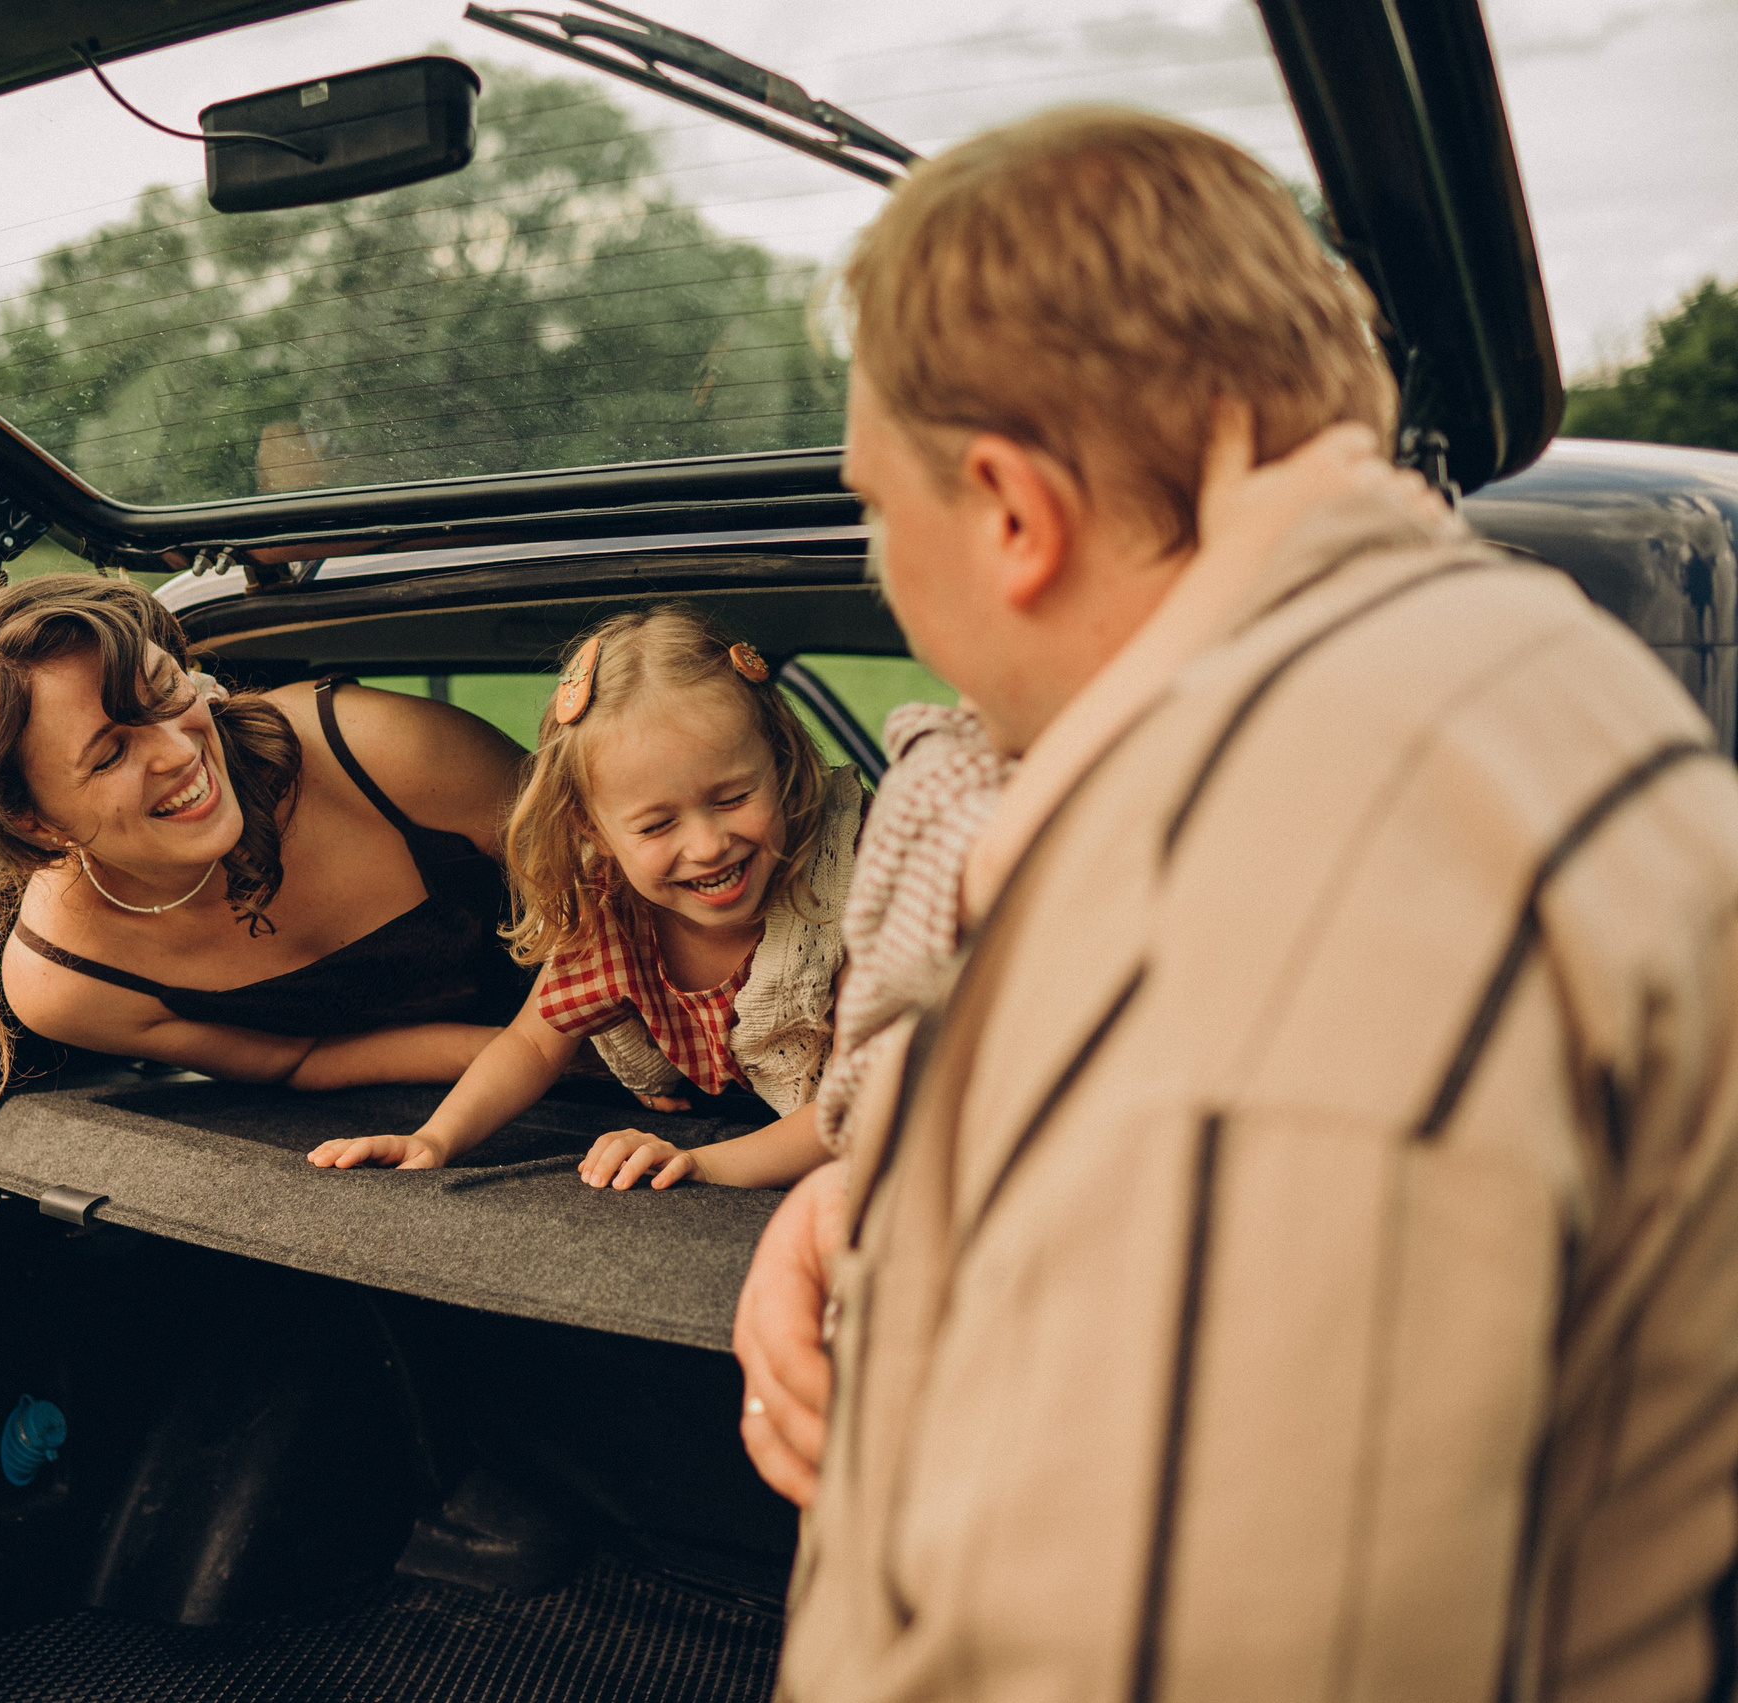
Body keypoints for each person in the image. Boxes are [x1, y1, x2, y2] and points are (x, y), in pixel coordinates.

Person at [736, 105, 1738, 1702]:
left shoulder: (1246, 925)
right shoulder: (1493, 676)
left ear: (1010, 510)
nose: (878, 565)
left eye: (875, 504)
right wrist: (882, 1197)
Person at [308, 604, 865, 1188]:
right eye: (656, 826)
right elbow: (532, 1044)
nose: (706, 846)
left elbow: (868, 1103)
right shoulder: (609, 903)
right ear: (593, 830)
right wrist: (435, 1138)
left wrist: (703, 1163)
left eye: (731, 799)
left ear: (777, 763)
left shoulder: (852, 883)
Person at [0, 576, 531, 1094]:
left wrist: (574, 1049)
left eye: (163, 690)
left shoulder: (370, 747)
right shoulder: (67, 981)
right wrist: (536, 1061)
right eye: (109, 756)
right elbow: (298, 1060)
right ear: (37, 823)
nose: (177, 750)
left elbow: (605, 863)